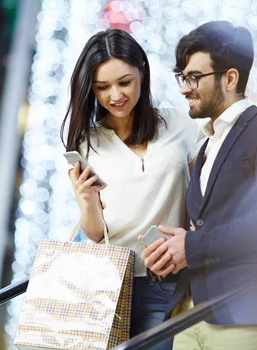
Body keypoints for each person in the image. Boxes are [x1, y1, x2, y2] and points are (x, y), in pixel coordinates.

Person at [141, 21, 257, 350]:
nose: (185, 88)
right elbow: (205, 224)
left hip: (245, 312)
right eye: (182, 78)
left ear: (230, 78)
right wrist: (173, 255)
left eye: (194, 78)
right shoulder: (204, 145)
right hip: (189, 314)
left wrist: (193, 247)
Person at [61, 28, 199, 349]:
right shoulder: (86, 141)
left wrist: (194, 243)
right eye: (102, 88)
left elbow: (204, 197)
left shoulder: (179, 124)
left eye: (124, 82)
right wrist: (87, 200)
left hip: (164, 276)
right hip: (105, 283)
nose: (115, 96)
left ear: (143, 72)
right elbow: (95, 232)